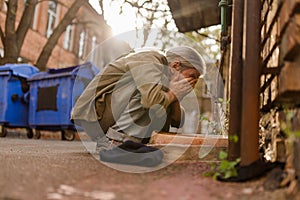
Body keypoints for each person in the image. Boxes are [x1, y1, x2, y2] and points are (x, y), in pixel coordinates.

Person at [71, 46, 205, 166]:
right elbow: (151, 102)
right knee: (152, 97)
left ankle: (131, 143)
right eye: (192, 76)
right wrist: (172, 94)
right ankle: (114, 142)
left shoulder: (167, 78)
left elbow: (177, 121)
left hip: (109, 115)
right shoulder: (150, 59)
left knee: (162, 99)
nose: (193, 82)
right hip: (94, 115)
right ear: (176, 66)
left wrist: (175, 97)